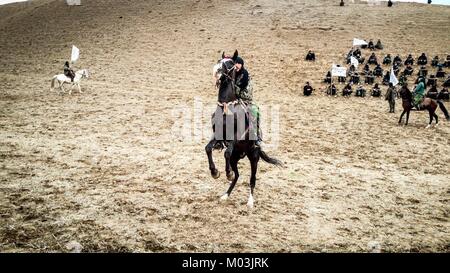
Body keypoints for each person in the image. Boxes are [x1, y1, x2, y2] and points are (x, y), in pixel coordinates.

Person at [233, 56, 262, 146]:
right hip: (234, 99)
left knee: (255, 111)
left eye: (238, 63)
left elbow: (242, 86)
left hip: (245, 99)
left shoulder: (245, 74)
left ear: (241, 65)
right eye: (235, 63)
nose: (236, 65)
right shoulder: (232, 73)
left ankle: (256, 136)